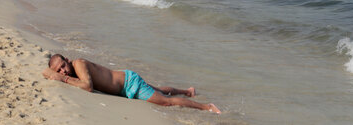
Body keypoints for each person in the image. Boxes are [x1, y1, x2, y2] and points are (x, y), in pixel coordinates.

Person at [43, 54, 220, 114]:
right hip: (126, 84)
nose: (63, 71)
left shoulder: (78, 64)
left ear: (67, 60)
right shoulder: (72, 70)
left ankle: (207, 107)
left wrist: (62, 79)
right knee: (158, 90)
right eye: (59, 70)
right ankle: (187, 91)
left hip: (129, 84)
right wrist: (55, 75)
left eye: (63, 66)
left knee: (166, 101)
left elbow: (88, 86)